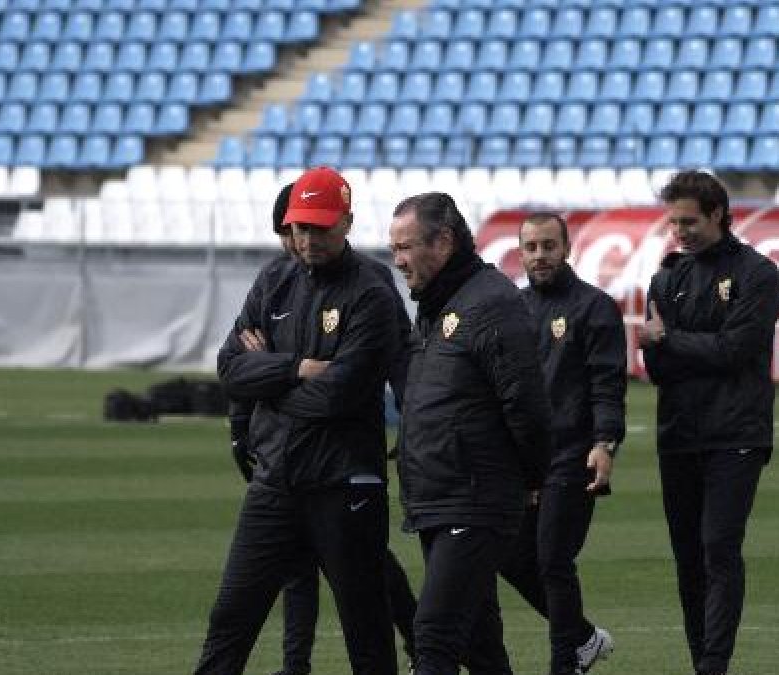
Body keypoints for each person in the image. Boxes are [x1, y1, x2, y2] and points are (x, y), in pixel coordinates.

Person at [193, 167, 402, 675]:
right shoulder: (275, 279)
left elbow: (337, 397)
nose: (307, 239)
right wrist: (295, 370)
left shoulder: (371, 292)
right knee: (230, 618)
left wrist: (267, 386)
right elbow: (228, 366)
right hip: (276, 484)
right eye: (300, 227)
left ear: (347, 222)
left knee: (367, 631)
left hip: (344, 483)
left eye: (320, 227)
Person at [389, 192, 551, 675]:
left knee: (434, 638)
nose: (397, 261)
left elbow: (527, 404)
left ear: (442, 242)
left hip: (475, 496)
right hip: (438, 496)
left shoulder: (491, 302)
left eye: (405, 247)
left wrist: (531, 478)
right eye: (393, 249)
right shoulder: (437, 304)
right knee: (480, 645)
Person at [637, 171, 779, 675]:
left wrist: (669, 341)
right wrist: (664, 348)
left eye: (690, 221)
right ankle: (701, 659)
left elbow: (735, 351)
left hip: (736, 433)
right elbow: (656, 368)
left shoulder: (757, 273)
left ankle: (714, 663)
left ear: (718, 213)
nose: (680, 231)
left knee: (719, 546)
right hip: (677, 433)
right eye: (674, 221)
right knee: (688, 558)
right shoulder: (665, 276)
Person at [497, 212, 626, 675]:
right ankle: (583, 637)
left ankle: (564, 664)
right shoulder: (511, 308)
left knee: (553, 558)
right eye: (531, 247)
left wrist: (605, 442)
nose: (539, 256)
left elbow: (607, 384)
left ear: (565, 248)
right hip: (522, 458)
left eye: (548, 246)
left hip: (572, 454)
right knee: (510, 557)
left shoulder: (594, 307)